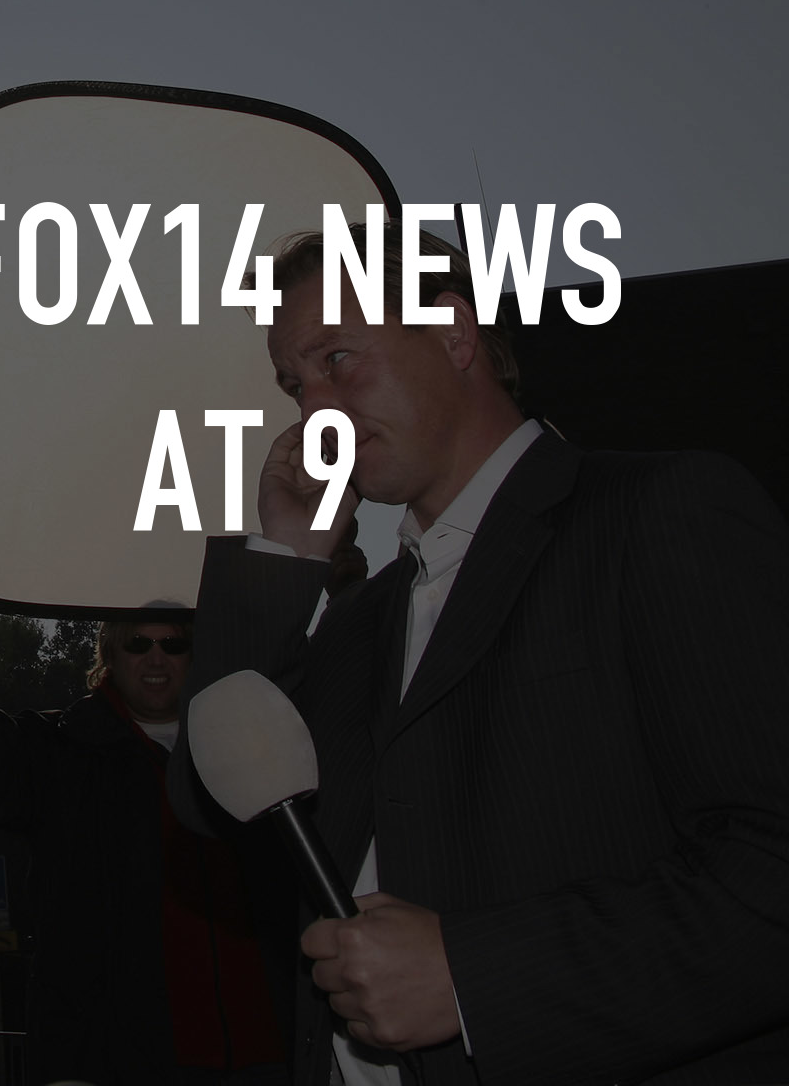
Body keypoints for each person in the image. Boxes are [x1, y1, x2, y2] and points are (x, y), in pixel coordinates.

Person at [168, 222, 789, 1086]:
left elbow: (769, 871)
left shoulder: (658, 513)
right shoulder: (358, 622)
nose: (315, 411)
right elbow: (211, 802)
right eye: (295, 384)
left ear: (454, 333)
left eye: (338, 358)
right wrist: (286, 557)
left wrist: (472, 979)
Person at [0, 554, 298, 1086]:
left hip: (264, 1055)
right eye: (138, 643)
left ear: (195, 653)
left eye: (173, 644)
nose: (155, 658)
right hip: (117, 1060)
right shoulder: (64, 752)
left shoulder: (251, 750)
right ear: (110, 652)